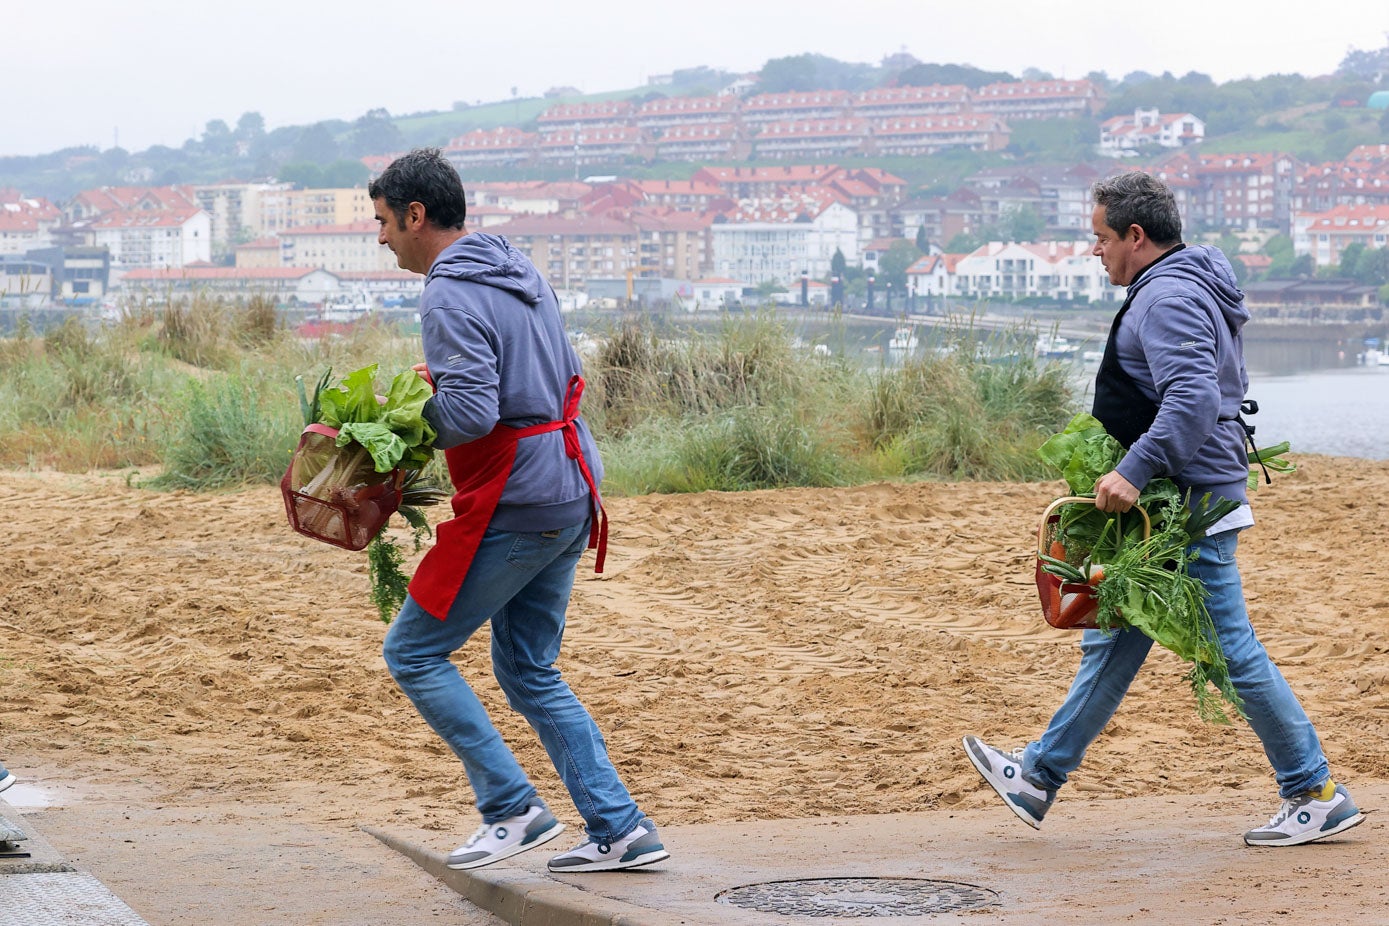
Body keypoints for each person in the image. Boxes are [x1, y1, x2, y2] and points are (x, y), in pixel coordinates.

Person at [963, 170, 1363, 848]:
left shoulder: (1168, 297)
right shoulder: (1180, 284)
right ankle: (1037, 777)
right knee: (1113, 640)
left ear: (1136, 236)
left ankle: (1313, 790)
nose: (1096, 251)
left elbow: (1192, 400)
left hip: (1187, 507)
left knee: (1231, 651)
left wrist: (1130, 469)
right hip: (1176, 502)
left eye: (1100, 238)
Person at [368, 148, 668, 873]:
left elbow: (470, 412)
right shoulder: (514, 265)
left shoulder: (445, 292)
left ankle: (511, 809)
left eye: (382, 222)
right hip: (571, 483)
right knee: (529, 668)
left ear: (416, 215)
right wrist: (437, 385)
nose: (380, 239)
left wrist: (397, 428)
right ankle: (621, 830)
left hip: (520, 498)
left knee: (412, 652)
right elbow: (523, 376)